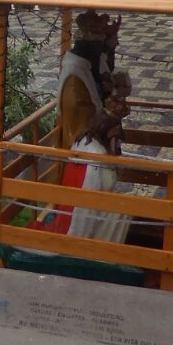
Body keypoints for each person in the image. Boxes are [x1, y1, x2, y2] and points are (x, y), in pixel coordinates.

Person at [40, 11, 110, 232]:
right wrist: (108, 114)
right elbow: (82, 125)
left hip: (93, 144)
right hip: (81, 148)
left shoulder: (89, 66)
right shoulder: (74, 80)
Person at [66, 74, 133, 245]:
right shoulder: (95, 154)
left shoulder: (93, 146)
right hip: (85, 221)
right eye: (116, 132)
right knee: (125, 208)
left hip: (97, 207)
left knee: (125, 205)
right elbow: (86, 203)